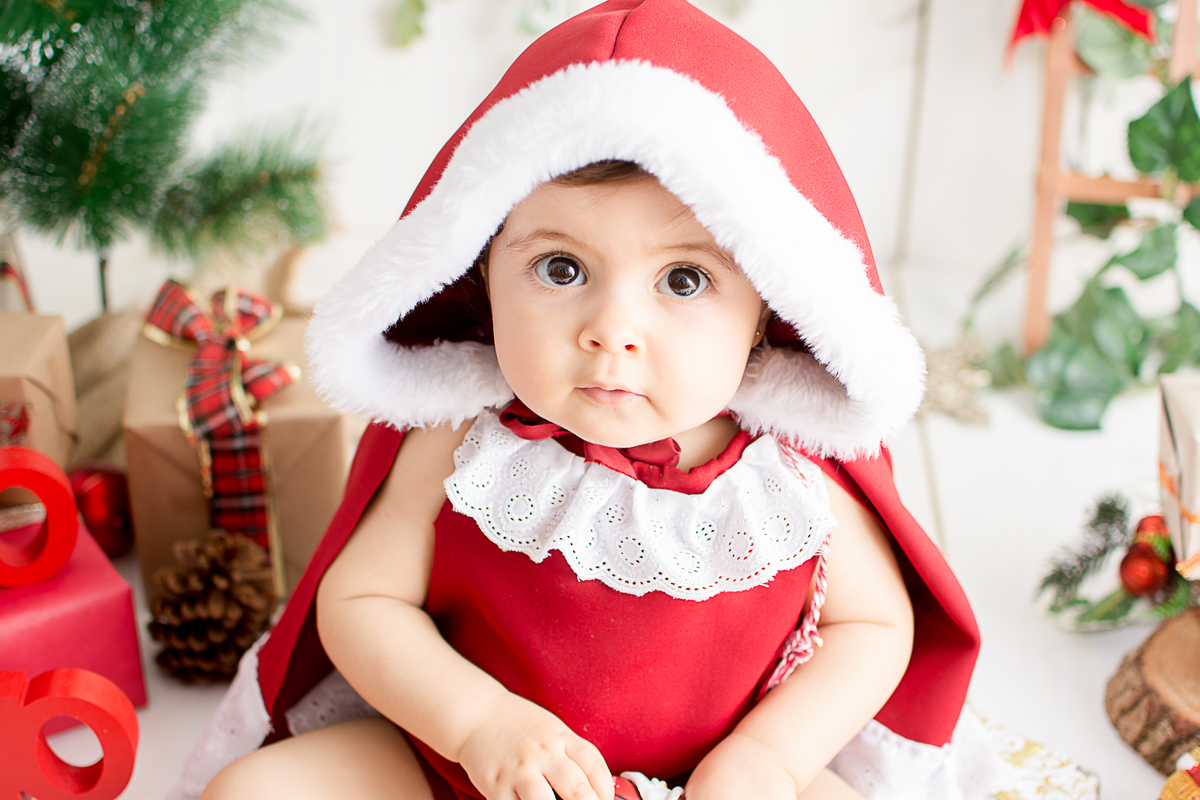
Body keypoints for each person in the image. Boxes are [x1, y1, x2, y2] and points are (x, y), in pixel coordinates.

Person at [175, 2, 993, 798]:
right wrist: (478, 726)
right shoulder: (465, 446)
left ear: (768, 312)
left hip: (714, 781)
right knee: (253, 790)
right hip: (463, 774)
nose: (611, 331)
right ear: (481, 270)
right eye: (561, 269)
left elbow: (874, 630)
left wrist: (769, 761)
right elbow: (360, 602)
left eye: (684, 279)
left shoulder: (789, 480)